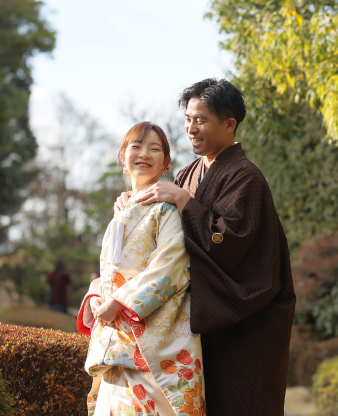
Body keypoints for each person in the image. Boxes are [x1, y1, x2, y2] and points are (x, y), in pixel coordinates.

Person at [121, 78, 295, 416]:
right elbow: (163, 230)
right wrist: (130, 202)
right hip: (204, 321)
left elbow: (228, 244)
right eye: (188, 118)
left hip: (245, 326)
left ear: (229, 124)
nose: (191, 128)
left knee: (241, 403)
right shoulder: (187, 174)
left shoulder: (246, 177)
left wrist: (184, 200)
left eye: (200, 119)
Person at [79, 122, 204, 416]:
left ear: (166, 163)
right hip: (118, 340)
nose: (144, 154)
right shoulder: (122, 211)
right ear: (123, 156)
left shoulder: (167, 209)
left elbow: (170, 268)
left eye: (155, 148)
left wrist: (119, 303)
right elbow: (110, 272)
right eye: (136, 146)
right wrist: (96, 297)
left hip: (154, 339)